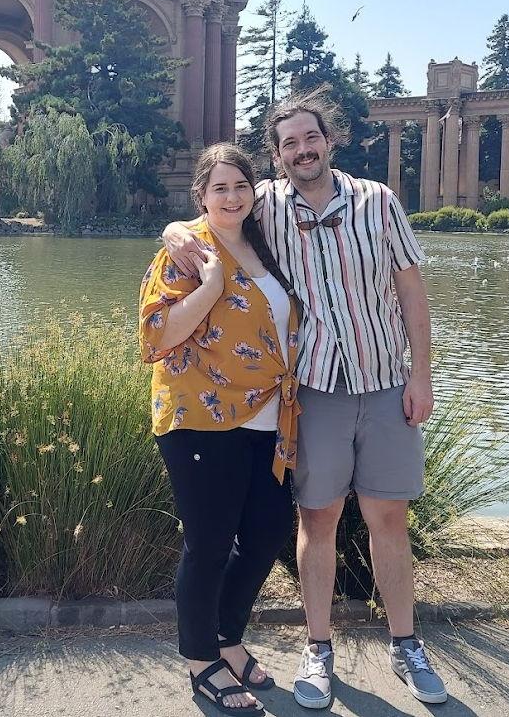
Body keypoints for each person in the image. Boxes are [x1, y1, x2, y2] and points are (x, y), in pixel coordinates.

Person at [164, 87, 447, 708]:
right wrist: (172, 233)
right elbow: (212, 206)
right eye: (288, 142)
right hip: (314, 389)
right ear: (277, 154)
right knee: (316, 521)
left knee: (388, 518)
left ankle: (406, 645)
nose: (301, 150)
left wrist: (420, 374)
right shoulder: (265, 205)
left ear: (329, 139)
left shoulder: (379, 202)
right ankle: (317, 651)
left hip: (383, 382)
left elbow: (412, 294)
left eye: (309, 137)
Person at [139, 143, 301, 716]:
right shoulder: (187, 252)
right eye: (219, 188)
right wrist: (208, 287)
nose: (231, 197)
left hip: (266, 417)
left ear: (253, 191)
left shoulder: (264, 243)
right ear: (201, 197)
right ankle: (200, 658)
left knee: (267, 530)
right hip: (201, 418)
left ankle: (229, 637)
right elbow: (159, 335)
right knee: (208, 543)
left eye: (240, 186)